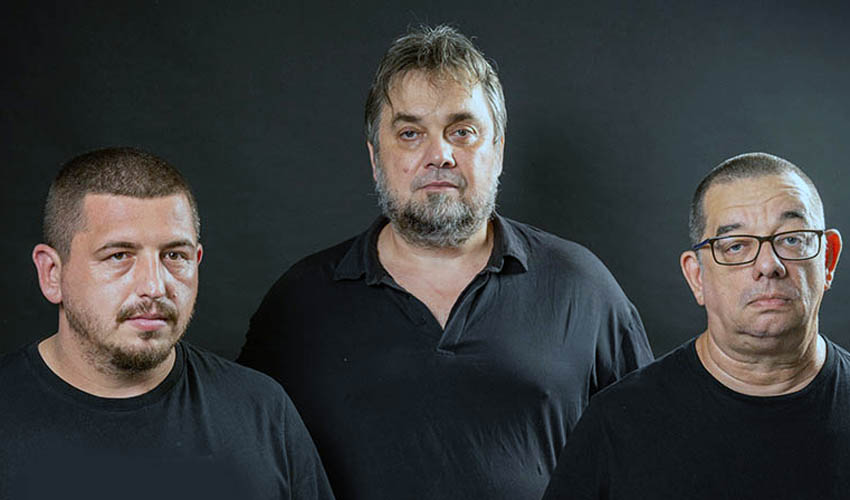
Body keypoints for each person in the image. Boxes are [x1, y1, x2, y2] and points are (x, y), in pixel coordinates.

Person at [237, 25, 653, 499]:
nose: (440, 155)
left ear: (497, 150)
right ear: (375, 157)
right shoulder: (299, 304)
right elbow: (250, 466)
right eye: (410, 133)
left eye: (462, 132)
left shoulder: (580, 286)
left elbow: (648, 454)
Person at [0, 147, 335, 500]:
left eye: (175, 255)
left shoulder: (262, 411)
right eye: (119, 255)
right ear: (52, 273)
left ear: (197, 260)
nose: (155, 286)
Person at [543, 152, 847, 499]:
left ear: (828, 259)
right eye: (735, 246)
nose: (768, 265)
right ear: (696, 276)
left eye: (792, 239)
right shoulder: (618, 422)